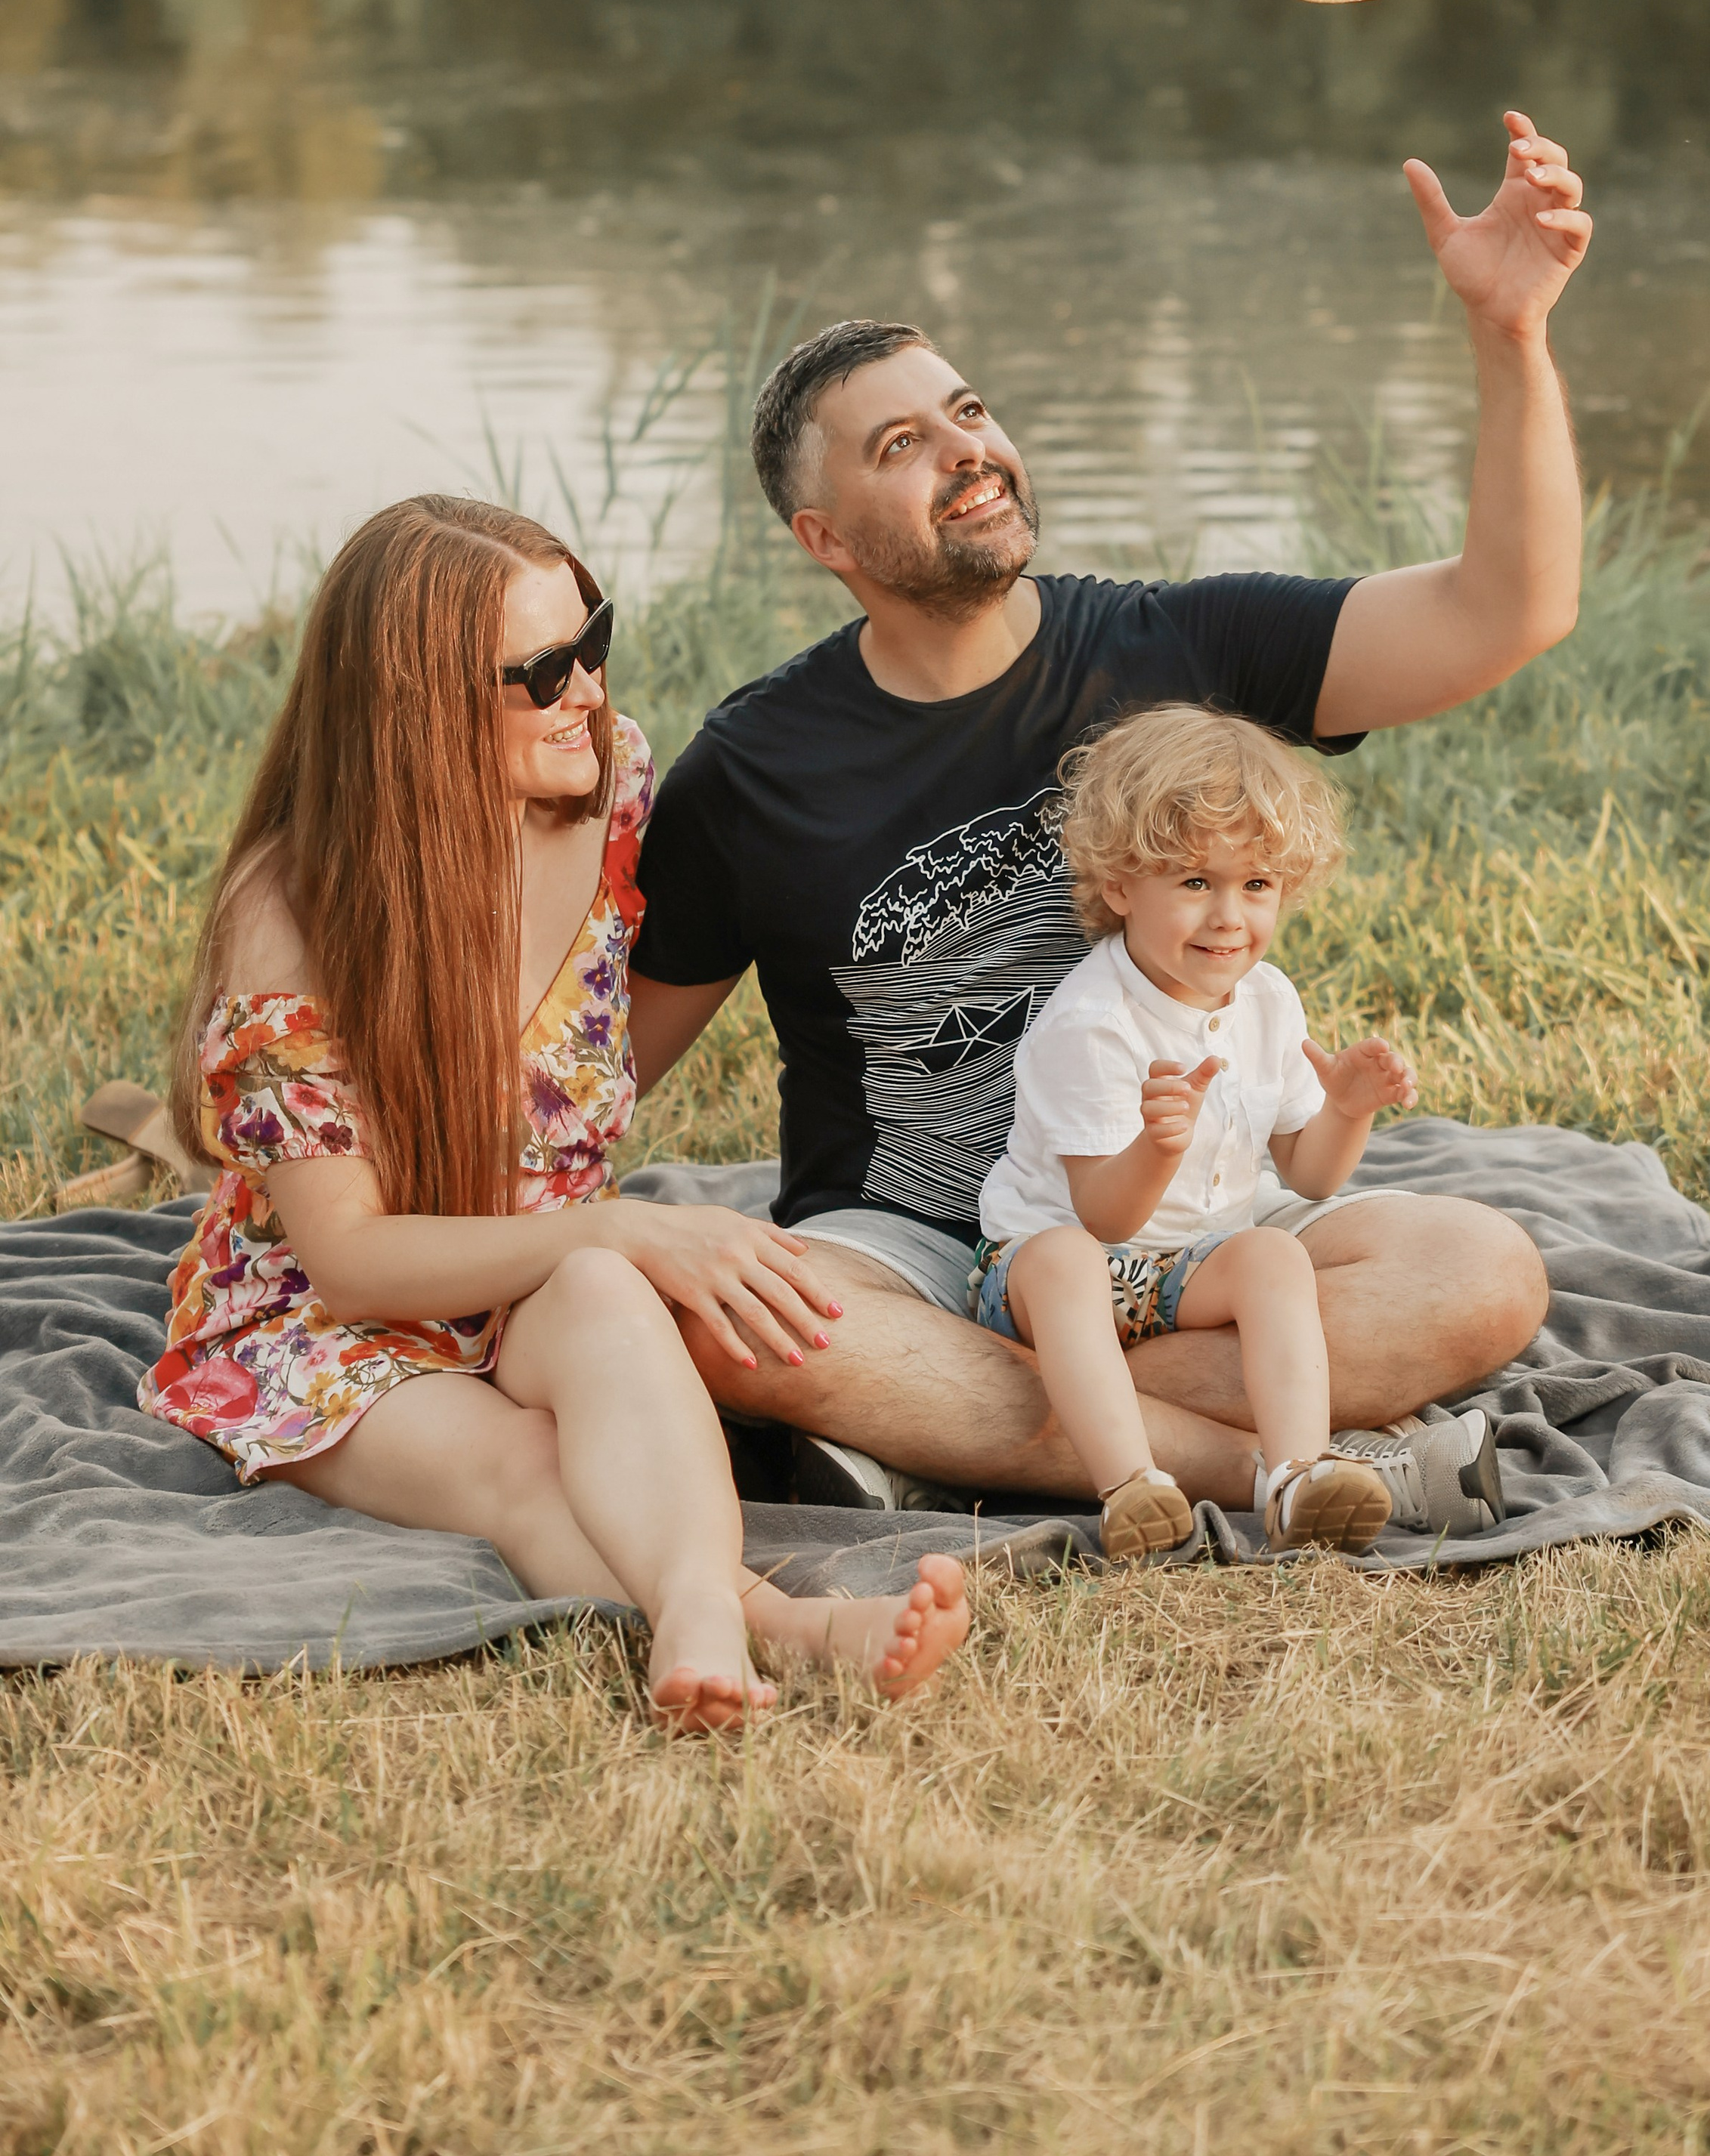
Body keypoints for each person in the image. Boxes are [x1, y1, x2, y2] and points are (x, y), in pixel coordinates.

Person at [629, 111, 1586, 1518]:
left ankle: (945, 1424)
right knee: (731, 1320)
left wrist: (1511, 335)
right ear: (823, 537)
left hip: (1193, 1228)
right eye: (903, 441)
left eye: (968, 410)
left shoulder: (1178, 645)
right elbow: (605, 1074)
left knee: (1484, 1272)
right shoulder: (754, 767)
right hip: (905, 1245)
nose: (967, 449)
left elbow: (1509, 611)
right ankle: (1308, 1455)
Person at [139, 496, 969, 1731]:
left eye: (594, 640)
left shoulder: (608, 777)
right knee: (529, 1453)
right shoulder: (291, 914)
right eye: (540, 671)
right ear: (414, 704)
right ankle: (770, 1620)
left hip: (535, 1262)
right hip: (327, 1317)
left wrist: (606, 1240)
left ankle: (705, 1605)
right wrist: (620, 1231)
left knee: (602, 1298)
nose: (586, 688)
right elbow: (353, 1261)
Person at [975, 705, 1433, 1561]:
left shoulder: (1267, 1001)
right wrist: (1158, 1144)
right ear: (1119, 885)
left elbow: (1310, 1176)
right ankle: (1131, 1483)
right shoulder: (1093, 1022)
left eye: (1255, 885)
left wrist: (1346, 1108)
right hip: (1047, 1265)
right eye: (1194, 882)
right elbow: (1104, 1217)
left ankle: (1295, 1475)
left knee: (1273, 1254)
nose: (1229, 916)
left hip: (1177, 1268)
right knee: (1066, 1260)